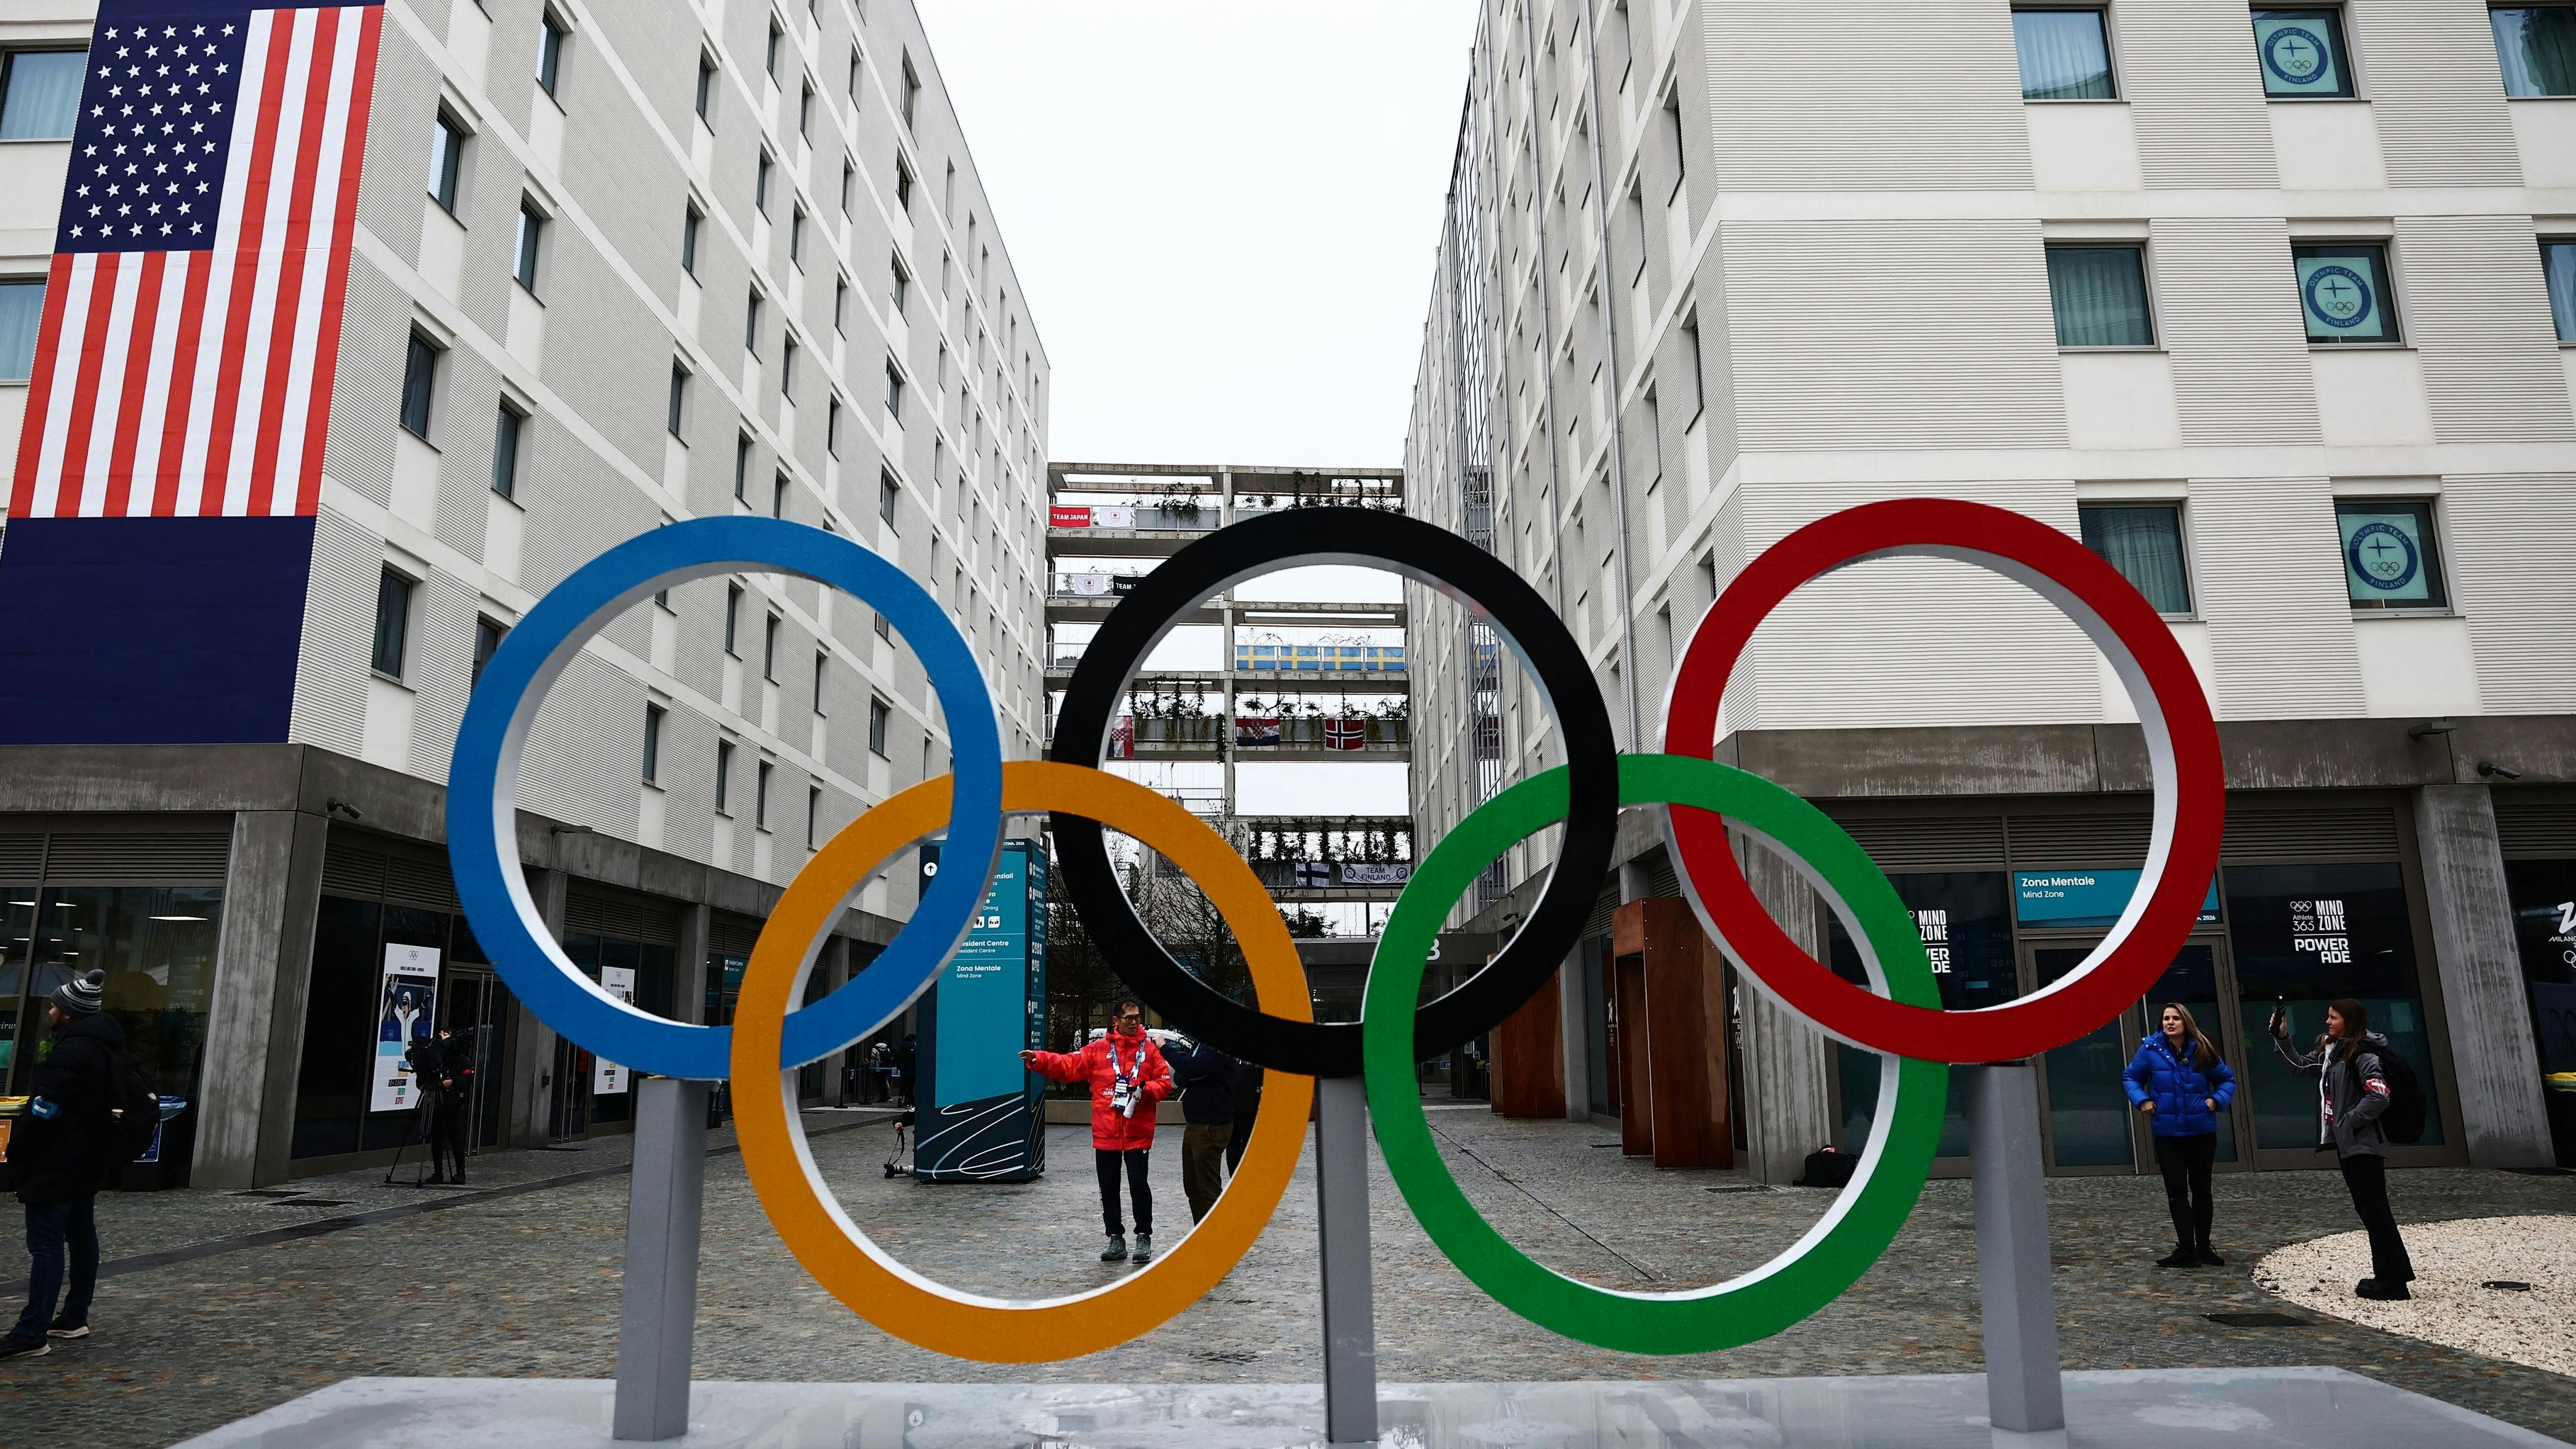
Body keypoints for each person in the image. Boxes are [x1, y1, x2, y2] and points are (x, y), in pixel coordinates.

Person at [4, 971, 120, 1360]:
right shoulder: (107, 1048)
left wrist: (17, 1149)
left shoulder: (71, 1053)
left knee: (46, 1245)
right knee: (81, 1236)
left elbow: (45, 1112)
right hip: (86, 1160)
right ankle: (74, 1316)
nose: (51, 1010)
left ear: (69, 1015)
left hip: (56, 1162)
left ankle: (32, 1331)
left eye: (55, 1005)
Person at [2273, 996, 2415, 1300]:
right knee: (2370, 1210)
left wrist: (2348, 1122)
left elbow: (2379, 1096)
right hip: (2350, 1144)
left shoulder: (2362, 1055)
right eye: (2328, 1017)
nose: (2328, 1022)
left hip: (2363, 1145)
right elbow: (2299, 1066)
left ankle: (2392, 1282)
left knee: (2375, 1211)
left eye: (2333, 1017)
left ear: (2349, 1021)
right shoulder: (2333, 1052)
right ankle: (2393, 1275)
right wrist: (2281, 1037)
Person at [1022, 1002, 1172, 1265]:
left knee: (1139, 1184)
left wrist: (1144, 1091)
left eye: (1137, 1017)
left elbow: (1164, 1084)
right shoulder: (1099, 1051)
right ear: (1116, 1021)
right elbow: (1069, 1065)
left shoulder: (1148, 1051)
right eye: (1129, 1018)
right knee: (1109, 1187)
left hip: (1138, 1133)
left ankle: (1143, 1236)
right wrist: (1040, 1059)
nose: (1134, 1022)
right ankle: (1115, 1238)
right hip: (1106, 1134)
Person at [2123, 1002, 2236, 1268]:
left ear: (2186, 1022)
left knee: (2201, 1190)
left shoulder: (2203, 1048)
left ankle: (2204, 1247)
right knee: (2176, 1191)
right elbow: (2130, 1077)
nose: (2170, 1023)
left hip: (2201, 1131)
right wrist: (2143, 1100)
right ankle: (2186, 1249)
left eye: (2175, 1018)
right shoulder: (2150, 1049)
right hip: (2168, 1132)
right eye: (2165, 1018)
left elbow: (2227, 1080)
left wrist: (2215, 1101)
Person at [1163, 1034, 1237, 1224]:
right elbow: (1183, 1073)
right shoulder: (1202, 1043)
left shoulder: (1219, 1045)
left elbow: (1190, 1067)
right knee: (1193, 1186)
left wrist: (1165, 1048)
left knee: (1208, 1188)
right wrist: (1191, 1072)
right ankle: (1202, 1233)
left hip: (1211, 1125)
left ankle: (1217, 1237)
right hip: (1195, 1123)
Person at [409, 1027, 475, 1185]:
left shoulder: (462, 1060)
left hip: (454, 1104)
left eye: (446, 1035)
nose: (442, 1038)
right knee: (436, 1139)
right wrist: (425, 1085)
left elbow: (469, 1079)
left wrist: (453, 1082)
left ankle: (460, 1173)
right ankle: (438, 1172)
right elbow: (423, 1078)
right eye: (440, 1035)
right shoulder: (435, 1060)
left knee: (456, 1139)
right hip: (436, 1104)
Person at [1225, 1057, 1264, 1175]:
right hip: (1243, 1105)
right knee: (1237, 1145)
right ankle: (1240, 1175)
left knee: (1237, 1145)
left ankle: (1240, 1174)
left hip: (1240, 1106)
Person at [893, 1032, 917, 1107]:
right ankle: (910, 1101)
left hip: (903, 1070)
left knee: (903, 1086)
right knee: (910, 1087)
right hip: (912, 1070)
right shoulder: (913, 1049)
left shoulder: (902, 1048)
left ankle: (900, 1100)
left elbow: (898, 1058)